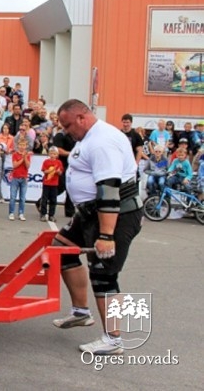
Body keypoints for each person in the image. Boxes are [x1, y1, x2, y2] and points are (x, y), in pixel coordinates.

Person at [52, 99, 143, 356]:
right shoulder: (88, 136)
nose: (66, 131)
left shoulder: (103, 141)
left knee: (104, 275)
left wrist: (105, 236)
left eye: (68, 125)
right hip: (89, 214)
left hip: (114, 216)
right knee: (61, 250)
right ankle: (81, 312)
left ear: (82, 117)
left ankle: (113, 340)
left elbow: (109, 191)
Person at [8, 139, 31, 221]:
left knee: (22, 198)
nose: (22, 147)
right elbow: (15, 165)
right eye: (20, 145)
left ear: (26, 146)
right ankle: (11, 213)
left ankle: (21, 213)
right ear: (18, 146)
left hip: (24, 178)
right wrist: (22, 158)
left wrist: (25, 157)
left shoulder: (27, 155)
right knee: (13, 197)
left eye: (23, 145)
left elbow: (28, 166)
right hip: (15, 178)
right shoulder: (15, 154)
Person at [40, 146, 64, 222]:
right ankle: (43, 214)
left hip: (54, 184)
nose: (53, 155)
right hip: (46, 183)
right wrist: (51, 170)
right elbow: (44, 171)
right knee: (44, 199)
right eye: (51, 153)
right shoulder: (46, 162)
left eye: (54, 154)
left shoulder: (59, 162)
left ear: (57, 154)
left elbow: (60, 173)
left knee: (53, 200)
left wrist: (58, 171)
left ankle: (51, 215)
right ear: (49, 154)